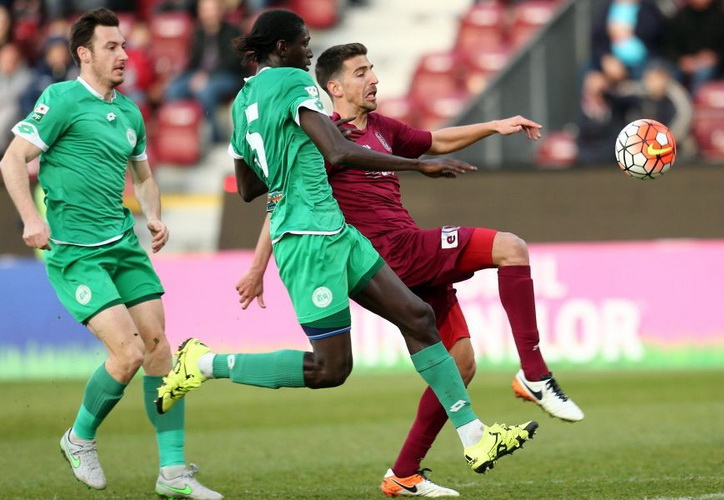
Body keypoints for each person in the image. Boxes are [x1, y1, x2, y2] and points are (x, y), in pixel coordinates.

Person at [156, 9, 538, 478]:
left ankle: (475, 438)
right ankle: (204, 363)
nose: (308, 51)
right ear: (282, 48)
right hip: (307, 240)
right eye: (303, 42)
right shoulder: (295, 83)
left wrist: (292, 155)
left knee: (418, 317)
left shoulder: (241, 103)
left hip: (336, 231)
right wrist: (418, 166)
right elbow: (337, 150)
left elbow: (250, 187)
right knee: (331, 370)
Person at [262, 42, 582, 497]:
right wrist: (258, 266)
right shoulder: (323, 136)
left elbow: (437, 141)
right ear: (334, 87)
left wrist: (494, 126)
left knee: (461, 364)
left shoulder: (382, 128)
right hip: (387, 255)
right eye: (360, 72)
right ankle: (535, 374)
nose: (374, 79)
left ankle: (404, 473)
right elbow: (282, 202)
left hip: (408, 253)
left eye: (372, 69)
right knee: (511, 248)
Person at [0, 9, 221, 499]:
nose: (123, 54)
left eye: (124, 45)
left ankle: (172, 473)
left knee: (159, 348)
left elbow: (143, 176)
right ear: (84, 53)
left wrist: (154, 214)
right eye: (111, 47)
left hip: (123, 244)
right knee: (128, 354)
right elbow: (12, 159)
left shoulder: (129, 112)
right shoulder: (61, 99)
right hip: (76, 253)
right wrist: (31, 219)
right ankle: (79, 438)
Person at [163, 0, 244, 142]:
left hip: (228, 76)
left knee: (206, 91)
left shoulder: (233, 31)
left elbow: (232, 62)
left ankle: (216, 137)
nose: (208, 14)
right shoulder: (198, 32)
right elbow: (193, 61)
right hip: (201, 75)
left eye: (212, 10)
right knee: (173, 89)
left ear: (220, 11)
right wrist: (178, 75)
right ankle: (185, 136)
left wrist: (207, 76)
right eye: (205, 10)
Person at [664, 0, 724, 95]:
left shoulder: (720, 17)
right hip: (683, 63)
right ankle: (675, 102)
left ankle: (695, 102)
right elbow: (668, 45)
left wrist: (716, 57)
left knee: (703, 73)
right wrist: (680, 59)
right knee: (668, 73)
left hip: (709, 66)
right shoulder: (680, 17)